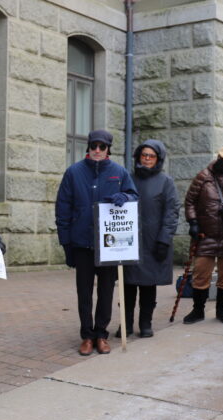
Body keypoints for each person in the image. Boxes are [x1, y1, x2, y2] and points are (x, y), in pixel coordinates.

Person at [55, 130, 139, 355]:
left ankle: (101, 333)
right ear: (88, 147)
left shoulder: (119, 172)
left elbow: (134, 195)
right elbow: (62, 208)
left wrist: (126, 197)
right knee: (84, 292)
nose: (98, 150)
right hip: (81, 242)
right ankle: (87, 335)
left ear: (108, 149)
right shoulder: (73, 172)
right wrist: (66, 243)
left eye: (102, 146)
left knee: (105, 292)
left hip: (109, 245)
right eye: (94, 146)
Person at [121, 140, 179, 338]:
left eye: (151, 156)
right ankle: (125, 323)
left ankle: (145, 323)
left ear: (158, 159)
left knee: (148, 285)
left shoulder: (166, 182)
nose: (146, 159)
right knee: (128, 284)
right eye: (143, 155)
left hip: (153, 241)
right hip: (129, 240)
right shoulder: (127, 178)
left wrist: (164, 239)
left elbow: (171, 212)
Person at [183, 146, 223, 324]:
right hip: (206, 234)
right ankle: (198, 310)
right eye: (222, 158)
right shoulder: (204, 176)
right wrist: (193, 222)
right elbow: (190, 201)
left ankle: (222, 310)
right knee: (200, 275)